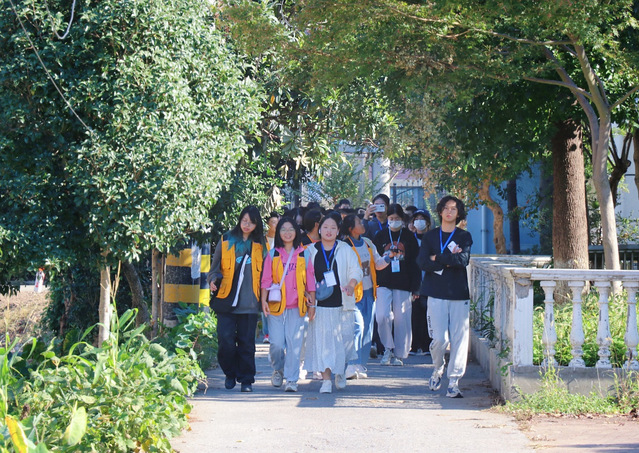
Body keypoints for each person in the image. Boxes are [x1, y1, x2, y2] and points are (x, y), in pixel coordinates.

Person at [418, 195, 473, 398]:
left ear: (458, 213)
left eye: (454, 209)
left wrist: (438, 258)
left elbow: (463, 260)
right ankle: (438, 367)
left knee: (459, 339)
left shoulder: (464, 236)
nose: (449, 212)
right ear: (440, 211)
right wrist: (449, 259)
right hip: (435, 292)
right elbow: (423, 262)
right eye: (446, 208)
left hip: (458, 293)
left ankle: (454, 381)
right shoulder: (430, 237)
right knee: (440, 339)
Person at [208, 206, 265, 393]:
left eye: (251, 222)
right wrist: (212, 280)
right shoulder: (226, 240)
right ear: (239, 220)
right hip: (227, 300)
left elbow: (267, 273)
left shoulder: (261, 244)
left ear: (257, 225)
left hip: (250, 302)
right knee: (225, 340)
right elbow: (214, 268)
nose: (247, 225)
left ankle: (246, 380)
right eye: (244, 221)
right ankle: (230, 373)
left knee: (247, 343)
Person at [304, 216, 362, 393]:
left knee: (343, 342)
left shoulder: (345, 249)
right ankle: (326, 380)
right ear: (319, 229)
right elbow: (303, 276)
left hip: (342, 304)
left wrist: (351, 284)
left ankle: (340, 371)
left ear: (338, 231)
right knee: (324, 344)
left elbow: (356, 270)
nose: (329, 231)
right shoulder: (310, 250)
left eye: (333, 227)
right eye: (325, 227)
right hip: (320, 305)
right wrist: (307, 294)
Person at [261, 218, 316, 392]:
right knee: (276, 344)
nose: (287, 232)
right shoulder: (273, 254)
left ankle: (292, 379)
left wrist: (312, 305)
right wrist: (263, 301)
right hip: (276, 305)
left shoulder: (304, 254)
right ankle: (278, 369)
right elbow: (266, 280)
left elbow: (310, 282)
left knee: (294, 344)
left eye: (290, 229)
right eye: (283, 229)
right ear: (278, 233)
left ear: (296, 232)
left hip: (297, 306)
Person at [340, 214, 392, 379]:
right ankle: (350, 364)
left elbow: (378, 264)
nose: (362, 224)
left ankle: (361, 365)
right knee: (357, 327)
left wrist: (389, 257)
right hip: (353, 294)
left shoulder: (368, 243)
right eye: (358, 222)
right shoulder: (344, 246)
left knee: (367, 330)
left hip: (370, 292)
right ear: (351, 228)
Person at [373, 203, 421, 366]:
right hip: (383, 282)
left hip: (404, 282)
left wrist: (416, 287)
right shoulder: (380, 236)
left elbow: (415, 263)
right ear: (387, 218)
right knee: (382, 316)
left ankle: (399, 354)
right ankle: (387, 348)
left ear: (402, 219)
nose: (394, 221)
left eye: (397, 218)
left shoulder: (409, 237)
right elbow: (375, 260)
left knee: (402, 318)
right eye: (391, 218)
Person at [409, 209, 432, 356]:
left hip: (429, 282)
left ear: (428, 222)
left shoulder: (432, 239)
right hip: (414, 283)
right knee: (414, 314)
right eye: (416, 219)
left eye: (422, 219)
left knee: (428, 315)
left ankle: (426, 345)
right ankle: (414, 345)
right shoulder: (410, 239)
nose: (419, 222)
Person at [262, 212, 280, 344]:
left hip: (278, 276)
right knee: (265, 302)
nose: (275, 225)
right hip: (265, 275)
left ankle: (275, 331)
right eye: (273, 222)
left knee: (275, 301)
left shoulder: (281, 240)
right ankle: (266, 332)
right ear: (267, 224)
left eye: (277, 223)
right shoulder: (262, 240)